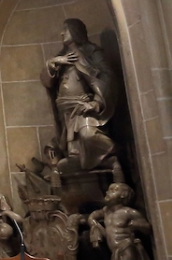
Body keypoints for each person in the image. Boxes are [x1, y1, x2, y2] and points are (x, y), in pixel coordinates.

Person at [40, 18, 120, 176]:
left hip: (83, 107)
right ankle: (88, 162)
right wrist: (52, 63)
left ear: (75, 31)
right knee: (72, 156)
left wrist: (97, 102)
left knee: (88, 135)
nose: (62, 33)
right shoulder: (61, 56)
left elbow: (107, 76)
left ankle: (115, 153)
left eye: (66, 29)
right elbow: (47, 82)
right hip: (66, 112)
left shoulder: (91, 51)